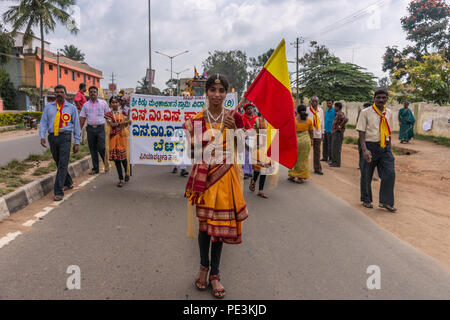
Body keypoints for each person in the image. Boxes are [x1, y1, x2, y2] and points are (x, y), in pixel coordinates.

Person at [184, 74, 247, 299]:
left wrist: (233, 130)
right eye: (213, 90)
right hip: (205, 178)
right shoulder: (197, 120)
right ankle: (203, 266)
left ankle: (215, 275)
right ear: (207, 92)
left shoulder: (234, 117)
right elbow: (190, 153)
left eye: (221, 91)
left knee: (219, 228)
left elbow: (241, 148)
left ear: (227, 93)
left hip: (226, 176)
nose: (217, 95)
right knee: (204, 227)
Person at [357, 88, 397, 213]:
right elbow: (361, 132)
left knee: (390, 173)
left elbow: (389, 131)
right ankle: (366, 199)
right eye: (378, 97)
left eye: (383, 97)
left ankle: (386, 202)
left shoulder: (389, 113)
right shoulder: (365, 112)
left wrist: (389, 147)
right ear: (374, 98)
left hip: (385, 147)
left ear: (387, 99)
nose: (381, 100)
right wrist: (364, 150)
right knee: (366, 174)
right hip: (370, 147)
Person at [39, 85, 81, 201]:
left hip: (65, 137)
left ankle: (58, 191)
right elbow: (43, 123)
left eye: (61, 92)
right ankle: (68, 182)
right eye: (56, 92)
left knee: (63, 163)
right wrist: (42, 136)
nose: (59, 94)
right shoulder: (48, 107)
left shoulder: (71, 108)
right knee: (58, 162)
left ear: (65, 94)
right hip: (53, 137)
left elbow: (77, 126)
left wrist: (77, 142)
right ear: (54, 94)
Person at [79, 86, 110, 175]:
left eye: (94, 92)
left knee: (101, 147)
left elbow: (108, 116)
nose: (93, 93)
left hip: (101, 129)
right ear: (89, 93)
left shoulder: (103, 103)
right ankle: (95, 169)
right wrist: (80, 130)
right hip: (90, 129)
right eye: (91, 92)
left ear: (97, 93)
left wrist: (110, 128)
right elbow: (83, 117)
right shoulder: (85, 105)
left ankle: (106, 164)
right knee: (92, 149)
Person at [105, 96, 131, 187]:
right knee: (117, 160)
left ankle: (127, 173)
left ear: (119, 103)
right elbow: (112, 125)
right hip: (113, 138)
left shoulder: (123, 112)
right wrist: (123, 123)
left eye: (116, 102)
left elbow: (128, 122)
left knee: (124, 158)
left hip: (122, 138)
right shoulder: (108, 114)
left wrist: (127, 122)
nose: (115, 104)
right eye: (113, 102)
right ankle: (120, 179)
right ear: (110, 104)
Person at [288, 105, 313, 184]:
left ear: (297, 111)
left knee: (294, 158)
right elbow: (311, 132)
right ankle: (301, 177)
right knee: (303, 160)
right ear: (305, 110)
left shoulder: (294, 120)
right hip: (306, 141)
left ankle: (292, 175)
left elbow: (291, 132)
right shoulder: (309, 120)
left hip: (296, 141)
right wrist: (311, 141)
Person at [249, 115, 272, 198]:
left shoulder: (271, 120)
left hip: (267, 146)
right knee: (258, 168)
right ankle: (254, 180)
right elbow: (253, 132)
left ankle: (260, 190)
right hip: (258, 146)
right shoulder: (257, 120)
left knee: (264, 168)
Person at [306, 96, 325, 175]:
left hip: (318, 134)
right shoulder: (307, 110)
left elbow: (322, 122)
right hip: (308, 134)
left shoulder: (320, 110)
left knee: (317, 152)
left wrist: (323, 133)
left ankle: (317, 168)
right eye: (313, 101)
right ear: (310, 102)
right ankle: (303, 168)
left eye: (315, 101)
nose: (314, 103)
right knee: (305, 151)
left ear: (318, 102)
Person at [241, 103, 258, 179]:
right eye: (248, 109)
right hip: (247, 138)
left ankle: (251, 171)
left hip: (255, 139)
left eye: (251, 108)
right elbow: (241, 127)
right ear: (245, 110)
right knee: (246, 156)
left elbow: (259, 127)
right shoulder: (243, 117)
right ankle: (246, 172)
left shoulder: (256, 118)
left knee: (253, 156)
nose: (250, 110)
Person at [329, 102, 348, 168]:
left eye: (335, 107)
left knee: (336, 148)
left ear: (337, 107)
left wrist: (340, 126)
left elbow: (345, 119)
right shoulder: (338, 113)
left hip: (338, 133)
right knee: (334, 147)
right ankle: (334, 162)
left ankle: (337, 163)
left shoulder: (340, 113)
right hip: (335, 132)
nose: (334, 108)